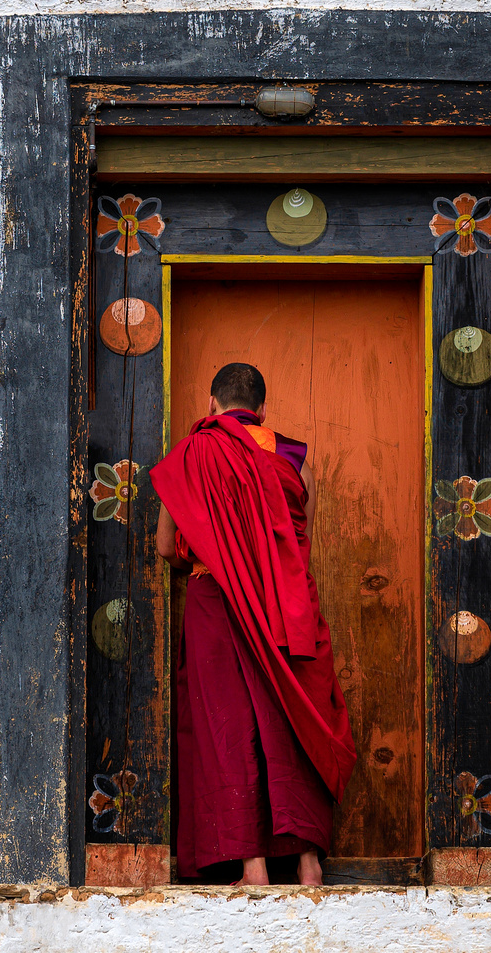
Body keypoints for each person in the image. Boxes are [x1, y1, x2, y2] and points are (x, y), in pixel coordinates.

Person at [151, 363, 356, 886]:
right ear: (263, 409)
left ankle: (253, 867)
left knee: (228, 724)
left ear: (213, 404)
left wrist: (212, 552)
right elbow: (295, 541)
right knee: (295, 718)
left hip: (215, 602)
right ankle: (309, 863)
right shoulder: (296, 458)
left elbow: (164, 548)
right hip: (285, 607)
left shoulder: (192, 455)